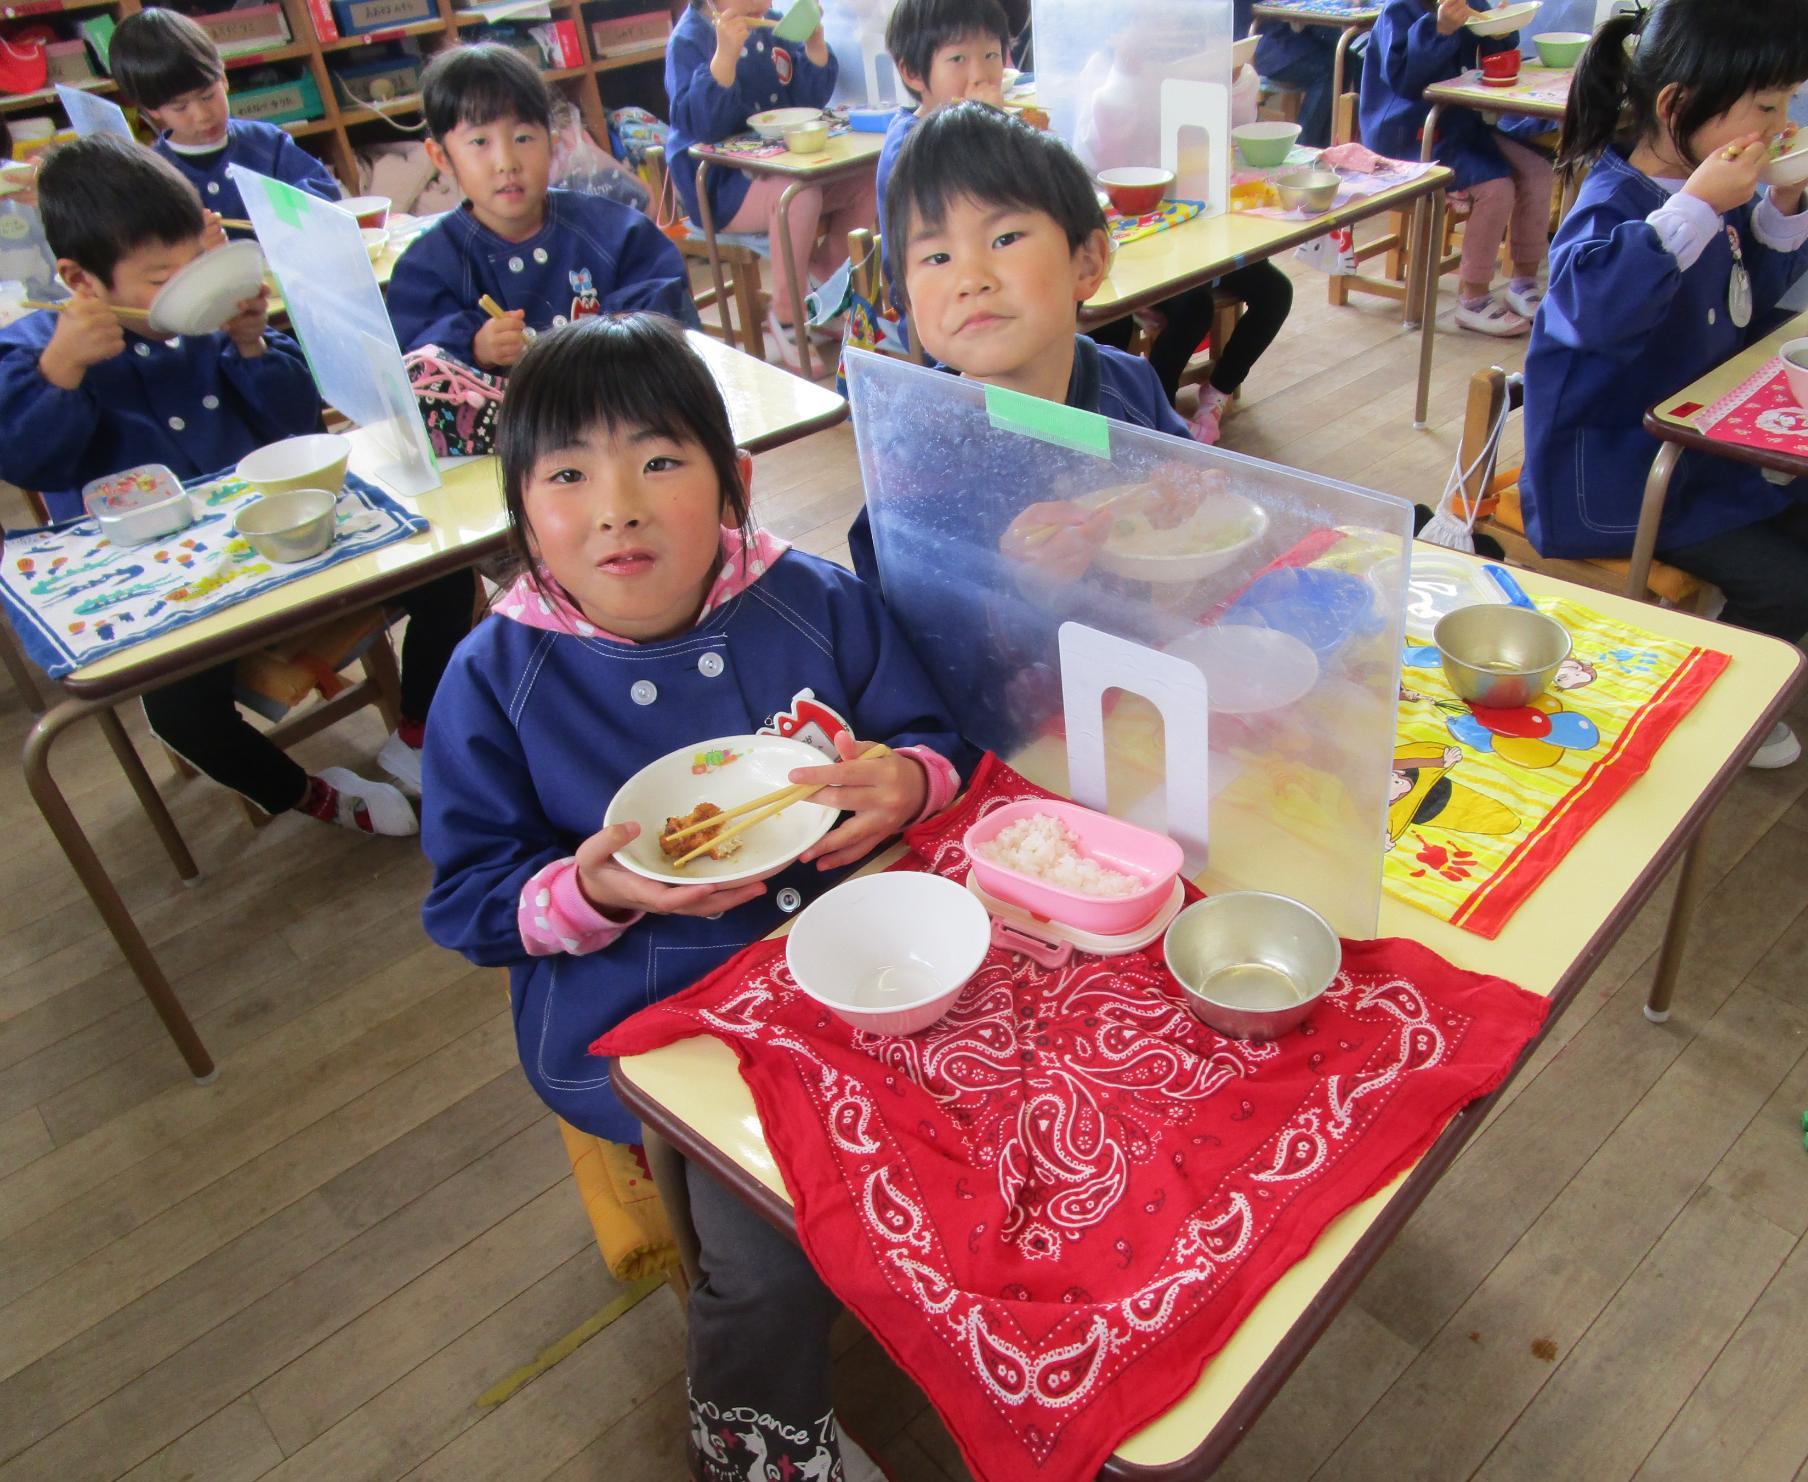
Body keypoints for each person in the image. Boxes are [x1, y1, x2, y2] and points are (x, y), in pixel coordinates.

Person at [418, 313, 969, 1482]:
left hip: (848, 951)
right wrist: (587, 891)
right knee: (768, 1242)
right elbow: (466, 902)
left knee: (981, 1096)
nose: (615, 504)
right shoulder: (496, 678)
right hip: (650, 1005)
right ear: (525, 516)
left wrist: (905, 781)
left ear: (735, 483)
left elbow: (930, 734)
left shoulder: (809, 600)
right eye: (568, 473)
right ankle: (752, 1440)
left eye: (658, 459)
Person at [0, 136, 471, 827]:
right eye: (162, 277)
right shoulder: (38, 348)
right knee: (178, 712)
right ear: (81, 281)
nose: (188, 288)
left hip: (296, 550)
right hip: (170, 590)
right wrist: (61, 372)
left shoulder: (213, 322)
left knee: (449, 577)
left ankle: (418, 734)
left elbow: (297, 420)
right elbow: (27, 460)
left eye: (198, 262)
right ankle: (308, 794)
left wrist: (252, 341)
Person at [1521, 0, 1808, 767]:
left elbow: (1748, 308)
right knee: (1789, 585)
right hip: (1617, 476)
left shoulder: (1720, 193)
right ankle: (1722, 717)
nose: (1783, 124)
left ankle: (1742, 665)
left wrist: (1780, 209)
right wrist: (1695, 211)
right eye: (1768, 105)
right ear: (1679, 104)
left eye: (1790, 103)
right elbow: (1595, 316)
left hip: (1694, 452)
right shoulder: (1616, 204)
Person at [848, 101, 1191, 586]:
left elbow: (1175, 468)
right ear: (904, 294)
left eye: (1006, 238)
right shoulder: (916, 443)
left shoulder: (1128, 386)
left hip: (1118, 654)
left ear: (1088, 262)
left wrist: (1189, 485)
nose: (971, 279)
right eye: (938, 256)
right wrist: (1013, 585)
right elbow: (896, 607)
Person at [387, 44, 693, 370]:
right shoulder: (427, 268)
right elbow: (414, 367)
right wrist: (472, 347)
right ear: (440, 157)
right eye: (479, 142)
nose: (506, 162)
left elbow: (668, 314)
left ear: (552, 143)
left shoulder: (615, 233)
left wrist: (616, 335)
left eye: (522, 138)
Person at [1089, 41, 1293, 444]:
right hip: (1138, 235)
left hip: (1201, 216)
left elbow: (1234, 123)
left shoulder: (1193, 47)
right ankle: (1160, 409)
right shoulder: (1108, 72)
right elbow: (1097, 150)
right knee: (1193, 304)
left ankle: (1216, 392)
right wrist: (1130, 76)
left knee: (1276, 291)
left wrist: (1233, 79)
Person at [665, 0, 871, 366]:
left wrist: (814, 46)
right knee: (798, 196)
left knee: (867, 177)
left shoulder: (773, 24)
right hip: (721, 187)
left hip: (784, 164)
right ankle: (787, 312)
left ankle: (823, 287)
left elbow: (808, 101)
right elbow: (701, 124)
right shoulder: (690, 38)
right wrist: (724, 58)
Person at [1362, 0, 1555, 336]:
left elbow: (1494, 61)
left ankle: (1523, 280)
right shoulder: (1398, 12)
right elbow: (1406, 83)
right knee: (1496, 187)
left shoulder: (1471, 4)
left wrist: (1501, 29)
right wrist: (1439, 30)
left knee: (1538, 171)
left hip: (1462, 124)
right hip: (1410, 134)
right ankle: (1473, 298)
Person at [109, 8, 340, 226]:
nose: (202, 116)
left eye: (208, 96)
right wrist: (197, 244)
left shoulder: (266, 143)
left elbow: (324, 191)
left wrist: (281, 211)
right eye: (180, 108)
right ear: (152, 110)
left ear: (223, 77)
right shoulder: (155, 173)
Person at [874, 0, 1013, 335]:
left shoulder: (977, 127)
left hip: (990, 277)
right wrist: (987, 128)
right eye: (958, 59)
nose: (979, 75)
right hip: (936, 306)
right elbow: (976, 202)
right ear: (912, 72)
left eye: (991, 55)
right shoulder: (909, 146)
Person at [1235, 0, 1341, 150]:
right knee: (1332, 68)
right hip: (1256, 41)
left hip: (1270, 34)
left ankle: (1325, 148)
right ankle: (1303, 146)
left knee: (1342, 55)